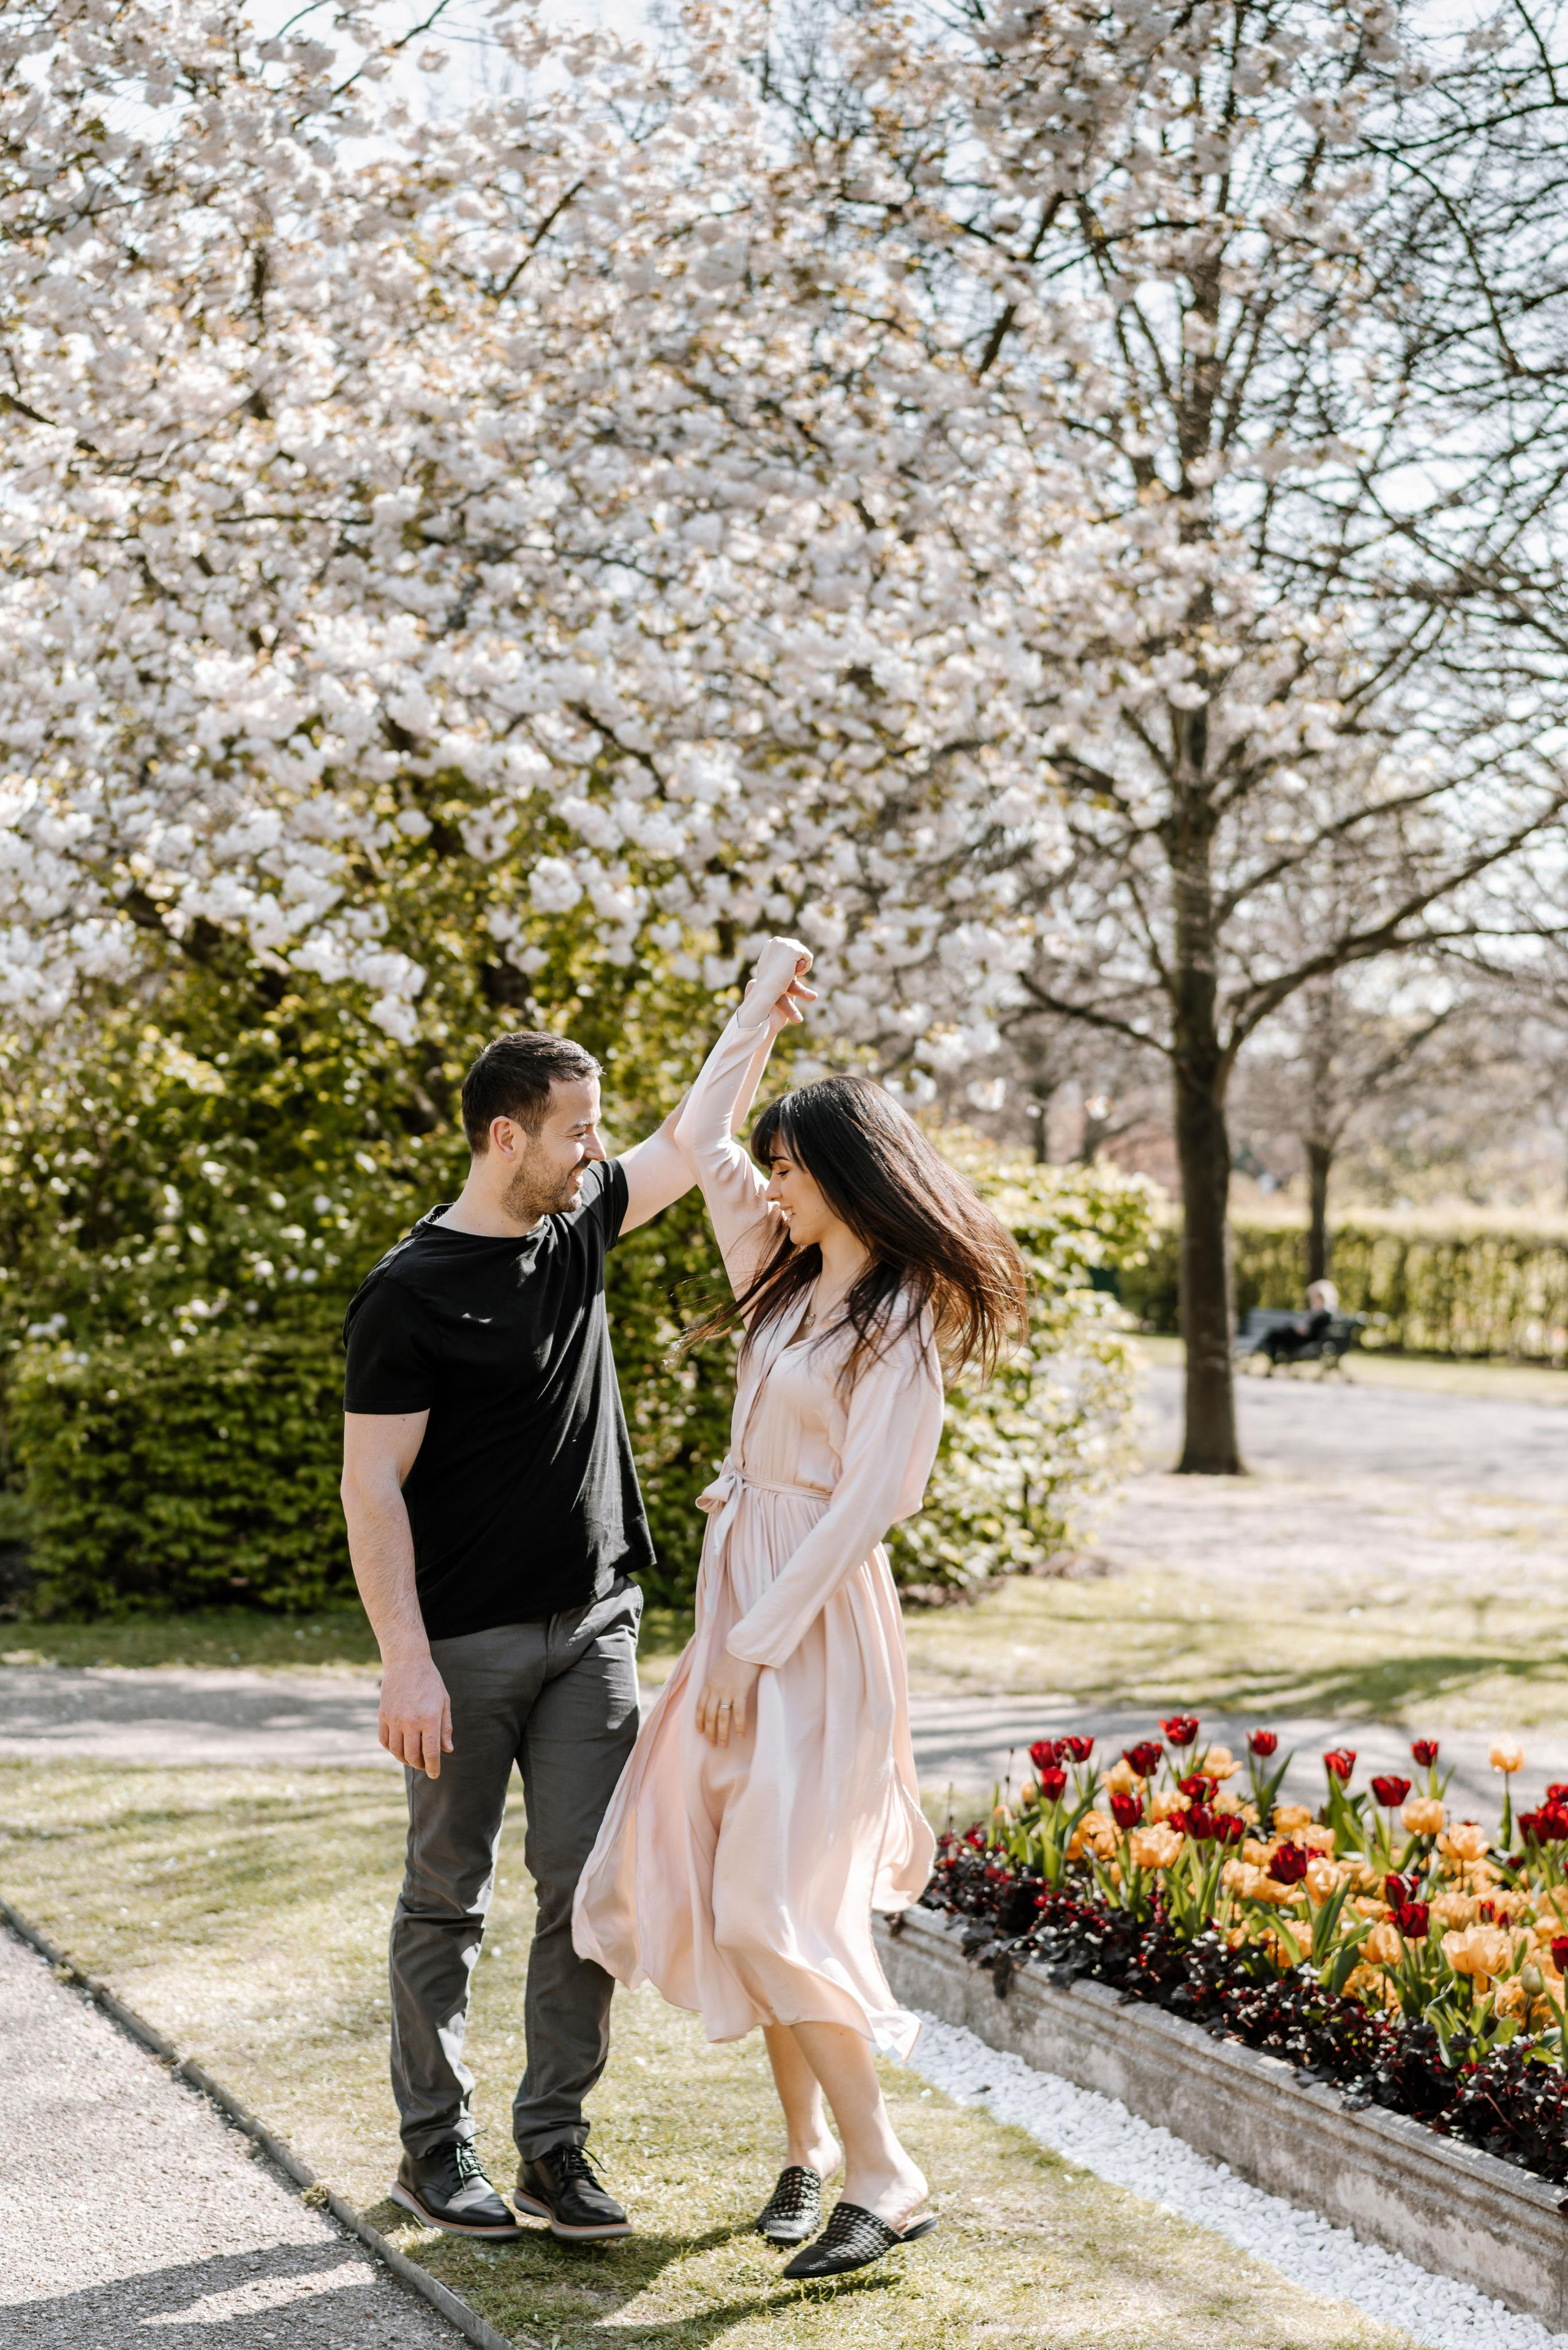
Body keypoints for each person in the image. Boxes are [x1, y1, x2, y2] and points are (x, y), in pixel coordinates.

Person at [573, 938, 1028, 2281]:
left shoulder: (900, 1322)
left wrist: (748, 1644)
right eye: (773, 1166)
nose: (768, 1177)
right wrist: (756, 1011)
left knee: (775, 1892)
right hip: (739, 1604)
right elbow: (696, 1130)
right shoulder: (778, 1271)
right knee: (731, 1885)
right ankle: (812, 2150)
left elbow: (859, 1509)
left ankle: (885, 2166)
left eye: (791, 1162)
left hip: (809, 1621)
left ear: (846, 1172)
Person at [339, 1014, 770, 2243]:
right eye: (574, 1130)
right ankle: (435, 2150)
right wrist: (406, 1662)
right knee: (444, 1897)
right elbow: (370, 1488)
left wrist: (756, 1008)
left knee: (589, 1892)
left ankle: (552, 2148)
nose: (593, 1151)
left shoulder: (573, 1232)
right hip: (462, 1649)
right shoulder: (409, 1290)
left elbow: (693, 1138)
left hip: (596, 1631)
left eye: (594, 1129)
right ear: (502, 1133)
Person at [1258, 1276, 1339, 1366]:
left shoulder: (1324, 1315)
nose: (1312, 1300)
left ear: (1322, 1297)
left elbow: (1309, 1332)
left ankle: (1271, 1358)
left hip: (1305, 1340)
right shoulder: (1318, 1313)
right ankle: (1270, 1356)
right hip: (1303, 1338)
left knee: (1275, 1334)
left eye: (1314, 1297)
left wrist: (1298, 1329)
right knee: (1276, 1333)